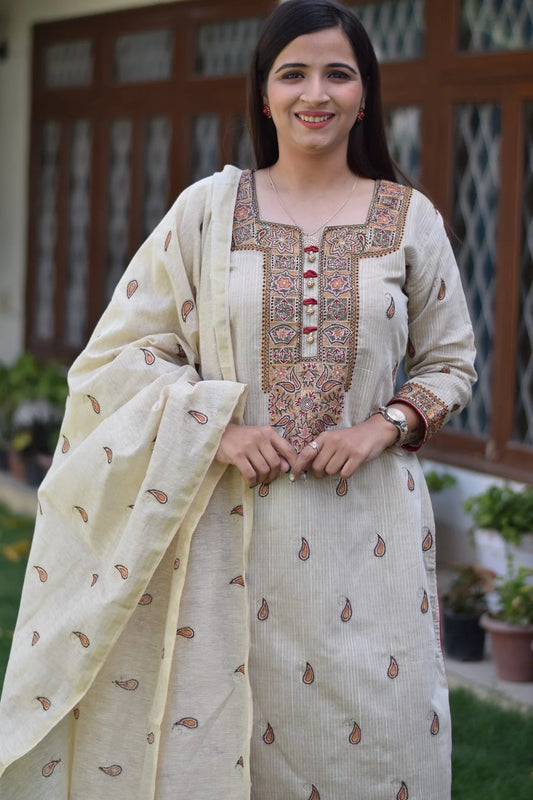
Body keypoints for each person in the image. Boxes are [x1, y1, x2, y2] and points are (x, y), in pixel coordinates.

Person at [0, 0, 476, 797]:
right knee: (224, 741)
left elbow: (451, 362)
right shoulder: (208, 212)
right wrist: (212, 429)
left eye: (337, 73)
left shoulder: (407, 219)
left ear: (364, 93)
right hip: (226, 536)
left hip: (368, 540)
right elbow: (123, 354)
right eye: (292, 73)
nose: (313, 93)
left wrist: (382, 426)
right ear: (264, 94)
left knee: (378, 742)